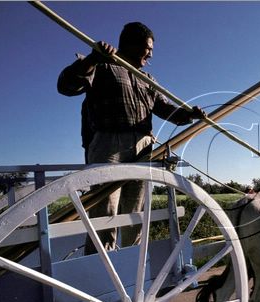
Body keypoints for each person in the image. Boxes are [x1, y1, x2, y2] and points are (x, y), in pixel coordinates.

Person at [58, 22, 206, 254]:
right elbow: (66, 86)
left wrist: (190, 115)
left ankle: (132, 267)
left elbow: (168, 112)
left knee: (136, 212)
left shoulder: (148, 79)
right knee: (104, 212)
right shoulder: (102, 65)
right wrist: (91, 59)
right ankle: (101, 269)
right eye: (147, 48)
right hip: (109, 146)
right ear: (129, 44)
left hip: (144, 147)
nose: (150, 54)